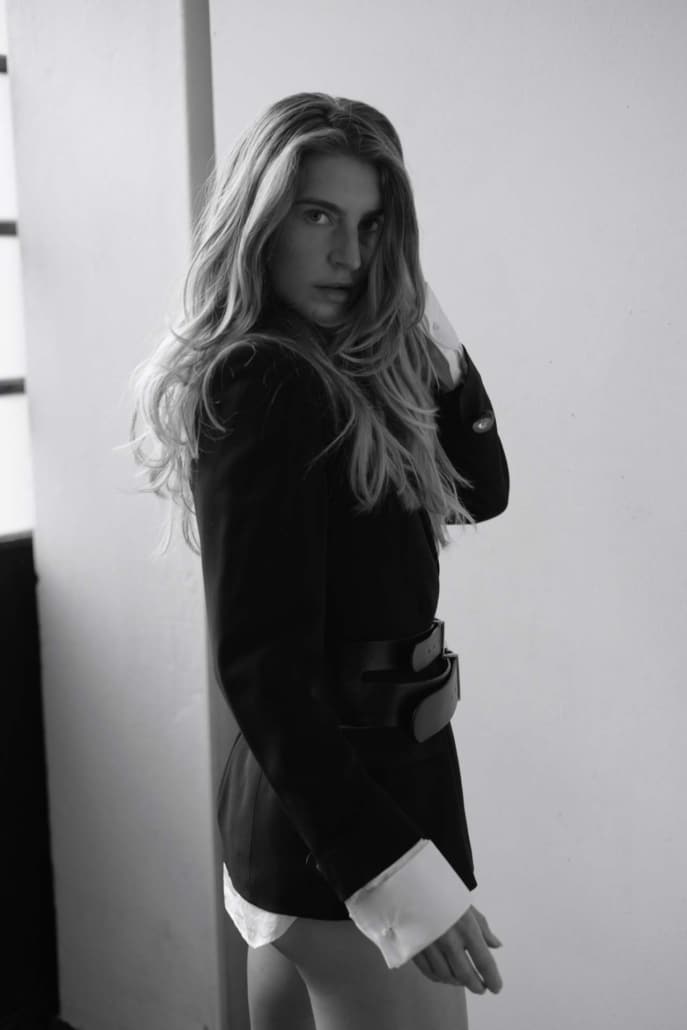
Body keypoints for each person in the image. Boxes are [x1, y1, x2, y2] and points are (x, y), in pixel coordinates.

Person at [129, 92, 509, 1030]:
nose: (348, 254)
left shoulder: (344, 369)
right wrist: (392, 876)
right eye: (317, 216)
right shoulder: (266, 379)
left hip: (320, 812)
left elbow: (482, 488)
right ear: (259, 223)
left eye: (371, 225)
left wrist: (416, 305)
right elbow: (262, 668)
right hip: (350, 821)